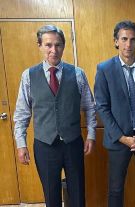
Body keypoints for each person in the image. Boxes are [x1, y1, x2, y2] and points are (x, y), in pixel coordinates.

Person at [13, 25, 96, 207]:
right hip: (44, 145)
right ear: (40, 46)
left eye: (58, 45)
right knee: (51, 195)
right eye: (48, 45)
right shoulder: (28, 76)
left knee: (77, 193)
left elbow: (89, 107)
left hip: (73, 143)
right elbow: (21, 113)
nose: (53, 50)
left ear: (64, 46)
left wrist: (91, 134)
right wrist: (21, 144)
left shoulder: (77, 74)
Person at [94, 20, 135, 207]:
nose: (128, 44)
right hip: (119, 140)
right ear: (116, 41)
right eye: (124, 39)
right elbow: (102, 107)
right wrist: (122, 138)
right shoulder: (104, 69)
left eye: (133, 39)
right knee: (116, 189)